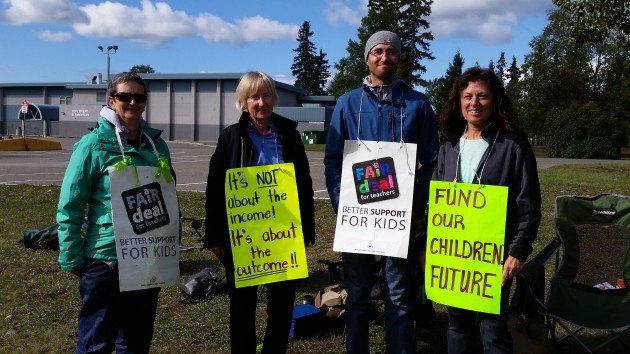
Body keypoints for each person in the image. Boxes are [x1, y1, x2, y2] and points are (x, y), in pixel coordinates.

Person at [324, 30, 438, 354]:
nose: (384, 57)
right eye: (378, 51)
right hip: (358, 218)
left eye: (391, 51)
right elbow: (333, 162)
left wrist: (416, 207)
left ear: (399, 58)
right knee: (358, 296)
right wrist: (340, 204)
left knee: (400, 297)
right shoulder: (347, 103)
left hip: (399, 219)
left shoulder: (418, 103)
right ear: (367, 58)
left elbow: (431, 161)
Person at [57, 72, 178, 354]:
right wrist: (72, 257)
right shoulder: (92, 145)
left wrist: (169, 248)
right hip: (105, 261)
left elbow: (169, 200)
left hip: (147, 258)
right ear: (112, 101)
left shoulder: (157, 146)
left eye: (139, 96)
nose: (132, 102)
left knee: (136, 342)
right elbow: (70, 204)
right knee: (96, 343)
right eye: (125, 96)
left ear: (145, 102)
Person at [204, 71, 316, 354]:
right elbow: (216, 189)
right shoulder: (231, 136)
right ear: (244, 100)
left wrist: (307, 230)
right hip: (243, 234)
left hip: (283, 234)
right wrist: (214, 235)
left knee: (281, 305)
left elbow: (303, 184)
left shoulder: (289, 135)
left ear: (273, 99)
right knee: (242, 306)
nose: (261, 102)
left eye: (266, 95)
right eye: (254, 96)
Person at [432, 67, 541, 353]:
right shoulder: (448, 146)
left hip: (494, 257)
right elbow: (436, 202)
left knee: (492, 329)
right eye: (467, 96)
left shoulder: (513, 146)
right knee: (457, 325)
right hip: (453, 256)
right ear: (459, 101)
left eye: (482, 96)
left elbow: (528, 205)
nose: (474, 103)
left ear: (495, 101)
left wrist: (517, 252)